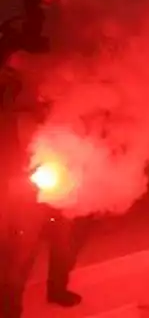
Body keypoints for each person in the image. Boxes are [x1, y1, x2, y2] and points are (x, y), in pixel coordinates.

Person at [0, 48, 85, 312]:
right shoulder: (17, 114)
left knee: (64, 242)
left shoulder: (65, 107)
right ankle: (10, 305)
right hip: (27, 190)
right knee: (23, 250)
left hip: (63, 182)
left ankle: (57, 289)